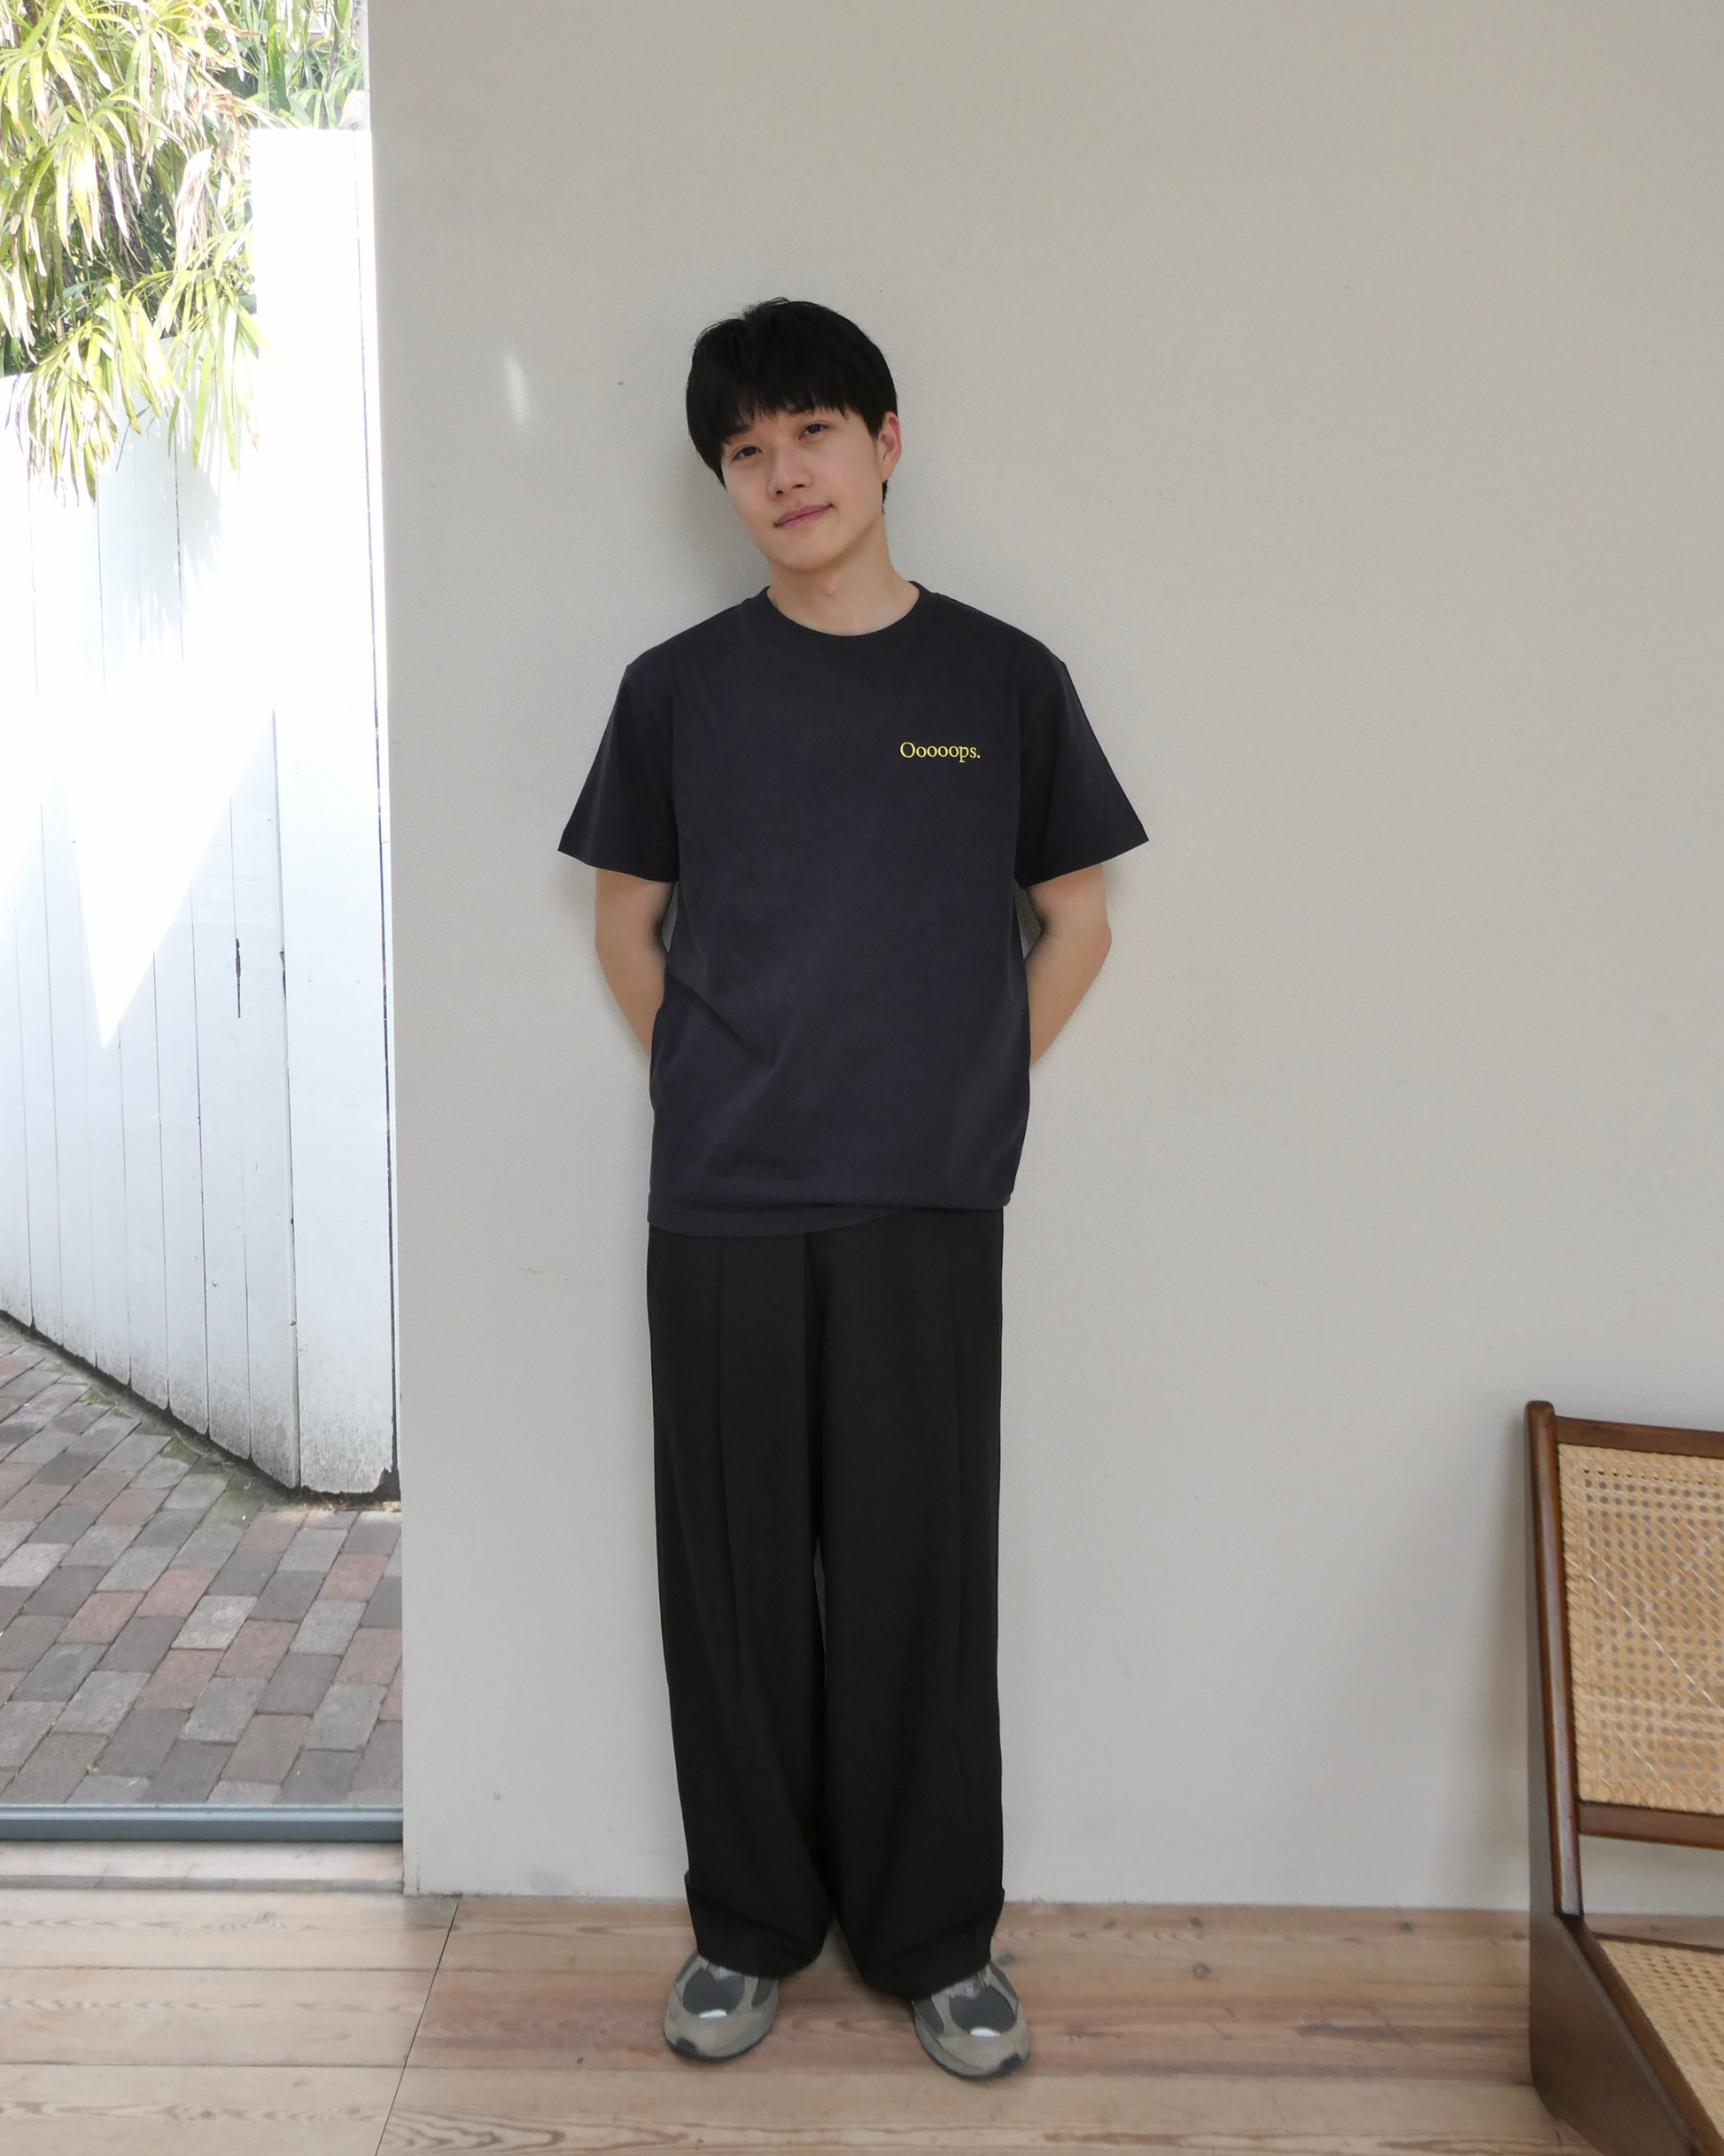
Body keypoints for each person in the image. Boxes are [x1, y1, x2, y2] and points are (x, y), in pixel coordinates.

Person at [557, 298, 1147, 2081]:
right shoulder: (676, 691)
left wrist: (960, 1090)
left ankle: (933, 1939)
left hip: (924, 1203)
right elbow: (628, 924)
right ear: (724, 483)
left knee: (915, 1576)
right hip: (722, 1202)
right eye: (746, 450)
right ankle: (747, 1926)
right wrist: (714, 1087)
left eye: (811, 430)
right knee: (732, 1583)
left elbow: (1077, 918)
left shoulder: (999, 680)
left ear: (885, 442)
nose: (783, 472)